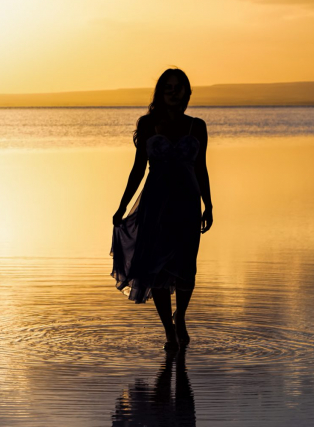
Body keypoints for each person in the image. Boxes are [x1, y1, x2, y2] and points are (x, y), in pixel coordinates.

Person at [111, 68, 213, 352]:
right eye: (167, 86)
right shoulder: (147, 124)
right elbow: (137, 169)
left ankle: (180, 316)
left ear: (187, 93)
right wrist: (122, 205)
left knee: (186, 268)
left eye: (178, 87)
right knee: (156, 269)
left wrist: (209, 204)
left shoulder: (197, 126)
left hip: (188, 204)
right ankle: (169, 330)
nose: (173, 91)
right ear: (160, 91)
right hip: (155, 205)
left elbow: (201, 168)